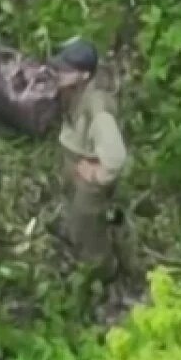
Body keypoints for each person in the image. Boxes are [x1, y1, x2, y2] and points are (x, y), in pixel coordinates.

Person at [50, 38, 128, 280]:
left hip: (89, 178)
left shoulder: (98, 110)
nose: (58, 73)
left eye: (65, 70)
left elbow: (116, 157)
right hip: (76, 159)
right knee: (73, 210)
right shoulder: (78, 90)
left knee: (88, 223)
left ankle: (103, 271)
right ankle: (75, 238)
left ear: (83, 75)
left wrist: (96, 174)